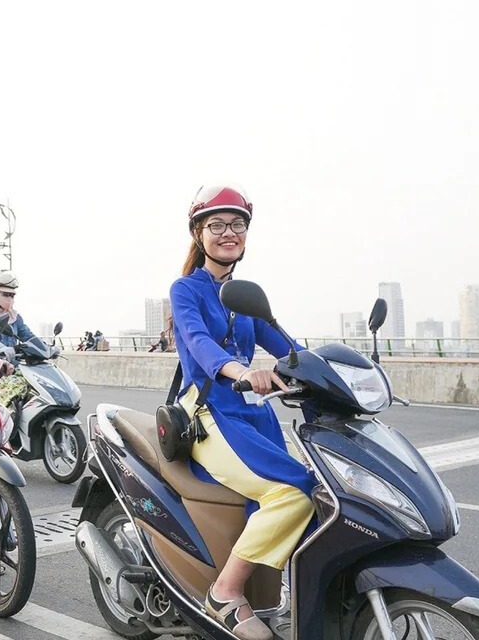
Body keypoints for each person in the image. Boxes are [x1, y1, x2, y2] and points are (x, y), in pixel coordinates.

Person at [170, 184, 314, 640]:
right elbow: (199, 343)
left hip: (256, 415)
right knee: (293, 492)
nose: (228, 233)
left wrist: (330, 370)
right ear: (198, 234)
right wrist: (238, 370)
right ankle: (225, 594)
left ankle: (279, 588)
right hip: (212, 414)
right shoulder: (186, 290)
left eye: (237, 224)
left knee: (319, 494)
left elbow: (286, 344)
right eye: (216, 225)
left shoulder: (246, 294)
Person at [0, 271, 38, 408]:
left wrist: (46, 347)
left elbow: (28, 336)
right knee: (2, 401)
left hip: (16, 365)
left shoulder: (15, 316)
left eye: (12, 295)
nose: (9, 298)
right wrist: (1, 348)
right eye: (5, 294)